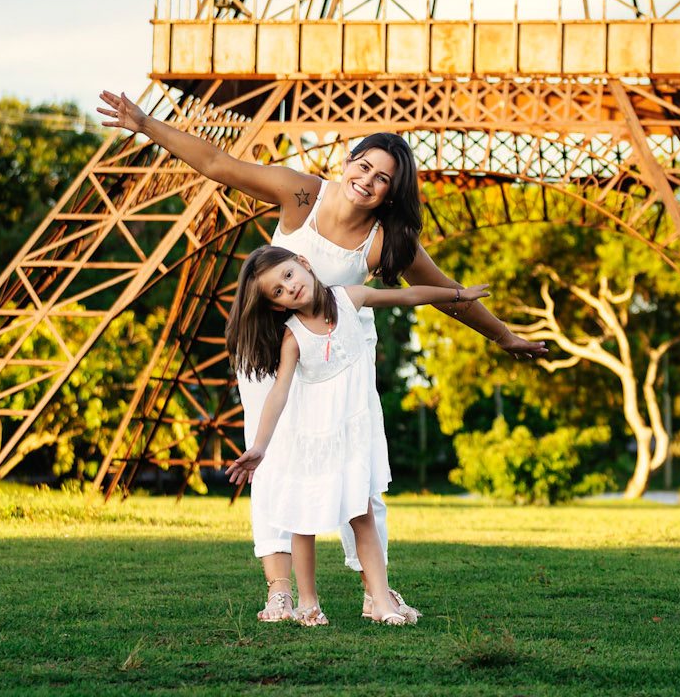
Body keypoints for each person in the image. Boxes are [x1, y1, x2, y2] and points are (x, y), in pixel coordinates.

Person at [97, 90, 547, 622]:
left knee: (360, 474)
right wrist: (146, 124)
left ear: (392, 193)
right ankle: (281, 591)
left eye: (383, 179)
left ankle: (376, 591)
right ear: (348, 160)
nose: (368, 181)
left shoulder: (384, 240)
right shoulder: (301, 195)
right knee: (274, 464)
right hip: (275, 352)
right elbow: (218, 164)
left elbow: (446, 293)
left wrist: (503, 337)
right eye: (364, 166)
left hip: (342, 362)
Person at [224, 245, 489, 625]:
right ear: (276, 306)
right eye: (277, 292)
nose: (290, 288)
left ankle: (380, 602)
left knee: (362, 515)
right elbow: (278, 393)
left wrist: (458, 294)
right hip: (311, 439)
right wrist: (260, 447)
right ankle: (308, 603)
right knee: (304, 522)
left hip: (350, 436)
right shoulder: (293, 337)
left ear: (303, 263)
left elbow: (409, 295)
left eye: (288, 275)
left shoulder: (350, 298)